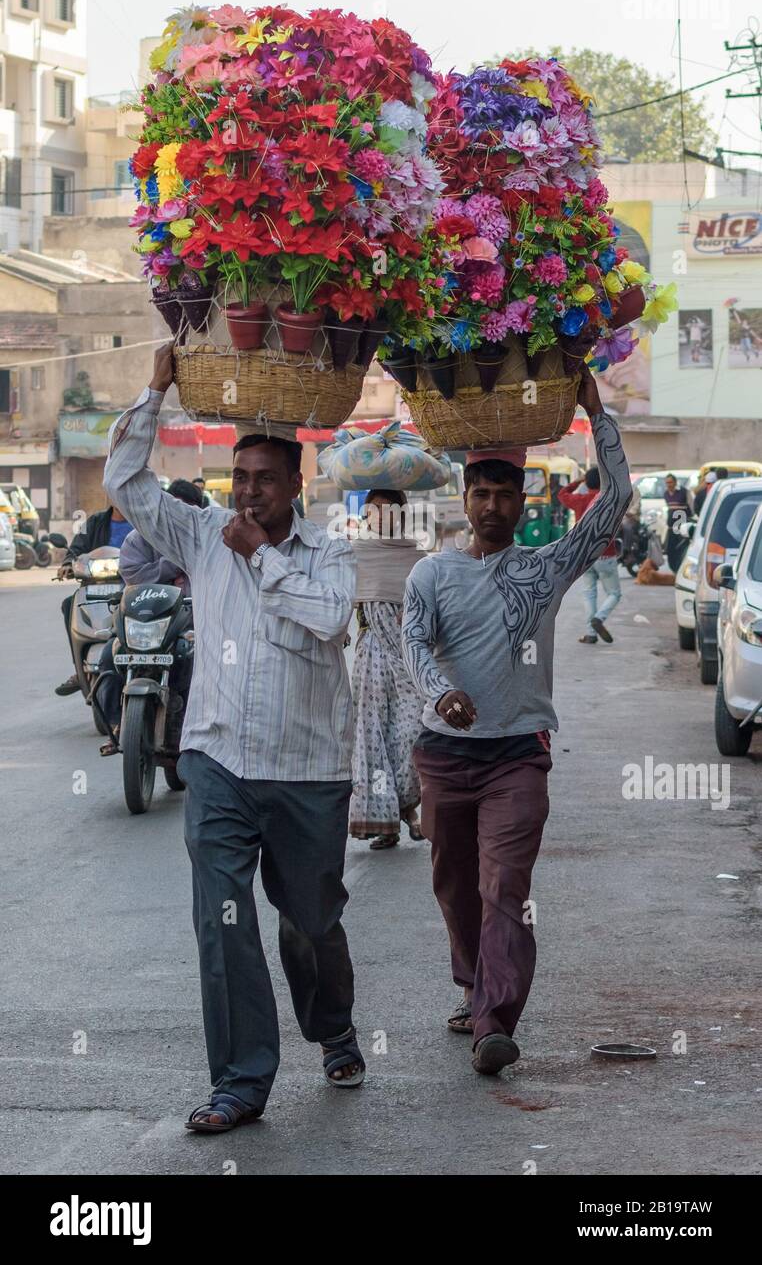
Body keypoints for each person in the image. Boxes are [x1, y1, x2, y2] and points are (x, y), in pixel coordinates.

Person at [103, 341, 363, 1132]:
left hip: (309, 770)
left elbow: (328, 621)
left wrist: (265, 562)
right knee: (222, 921)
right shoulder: (198, 534)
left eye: (264, 482)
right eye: (238, 480)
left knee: (310, 922)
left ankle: (332, 1027)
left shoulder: (330, 554)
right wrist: (153, 395)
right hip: (216, 760)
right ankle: (241, 1083)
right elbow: (125, 483)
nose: (247, 496)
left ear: (295, 486)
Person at [401, 367, 632, 1077]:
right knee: (453, 883)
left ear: (522, 500)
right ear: (464, 499)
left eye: (505, 493)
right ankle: (474, 985)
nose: (493, 504)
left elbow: (615, 497)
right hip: (444, 755)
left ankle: (494, 1023)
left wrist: (597, 411)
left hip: (516, 757)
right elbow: (413, 643)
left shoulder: (548, 566)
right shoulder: (432, 575)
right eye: (482, 493)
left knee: (505, 886)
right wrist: (440, 694)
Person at [95, 479, 204, 756]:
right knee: (109, 656)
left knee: (201, 662)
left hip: (193, 626)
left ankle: (196, 727)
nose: (180, 517)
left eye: (187, 510)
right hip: (144, 626)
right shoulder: (139, 538)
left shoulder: (206, 541)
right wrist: (172, 564)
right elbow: (135, 575)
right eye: (176, 508)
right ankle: (117, 725)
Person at [348, 489, 427, 851]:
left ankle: (408, 806)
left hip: (409, 657)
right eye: (376, 510)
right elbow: (341, 598)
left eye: (392, 509)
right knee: (374, 736)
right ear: (366, 513)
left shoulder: (416, 556)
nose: (384, 516)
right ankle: (389, 823)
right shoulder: (355, 552)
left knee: (413, 732)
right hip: (371, 657)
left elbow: (433, 610)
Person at [54, 503, 134, 697]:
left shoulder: (140, 522)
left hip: (132, 583)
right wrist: (67, 564)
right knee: (69, 604)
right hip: (97, 582)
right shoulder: (93, 521)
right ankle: (79, 667)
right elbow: (75, 548)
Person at [557, 466, 622, 645]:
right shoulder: (608, 500)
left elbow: (562, 494)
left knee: (589, 594)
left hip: (584, 556)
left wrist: (578, 481)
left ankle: (591, 633)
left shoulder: (579, 499)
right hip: (606, 554)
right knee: (614, 593)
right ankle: (599, 618)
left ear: (587, 482)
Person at [664, 473, 691, 573]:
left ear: (675, 482)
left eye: (670, 482)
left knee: (681, 549)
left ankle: (680, 569)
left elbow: (691, 508)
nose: (669, 485)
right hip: (671, 527)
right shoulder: (666, 494)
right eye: (667, 483)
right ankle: (674, 569)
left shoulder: (684, 492)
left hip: (682, 527)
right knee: (671, 550)